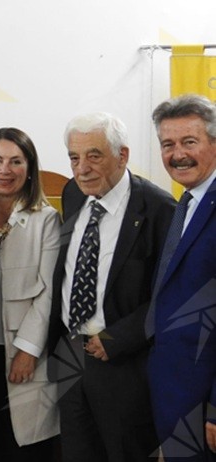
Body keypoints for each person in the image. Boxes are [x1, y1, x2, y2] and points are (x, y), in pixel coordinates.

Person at [46, 112, 175, 461]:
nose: (82, 168)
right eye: (74, 157)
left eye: (94, 155)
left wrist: (118, 338)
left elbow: (171, 295)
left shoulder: (160, 209)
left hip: (124, 365)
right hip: (70, 357)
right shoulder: (73, 193)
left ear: (123, 155)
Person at [0, 128, 60, 461]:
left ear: (29, 168)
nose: (5, 170)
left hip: (21, 353)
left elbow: (47, 293)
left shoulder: (45, 220)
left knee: (22, 446)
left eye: (16, 161)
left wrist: (27, 350)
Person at [147, 94, 216, 461]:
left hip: (205, 404)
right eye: (167, 144)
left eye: (189, 142)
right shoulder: (186, 203)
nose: (178, 154)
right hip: (174, 394)